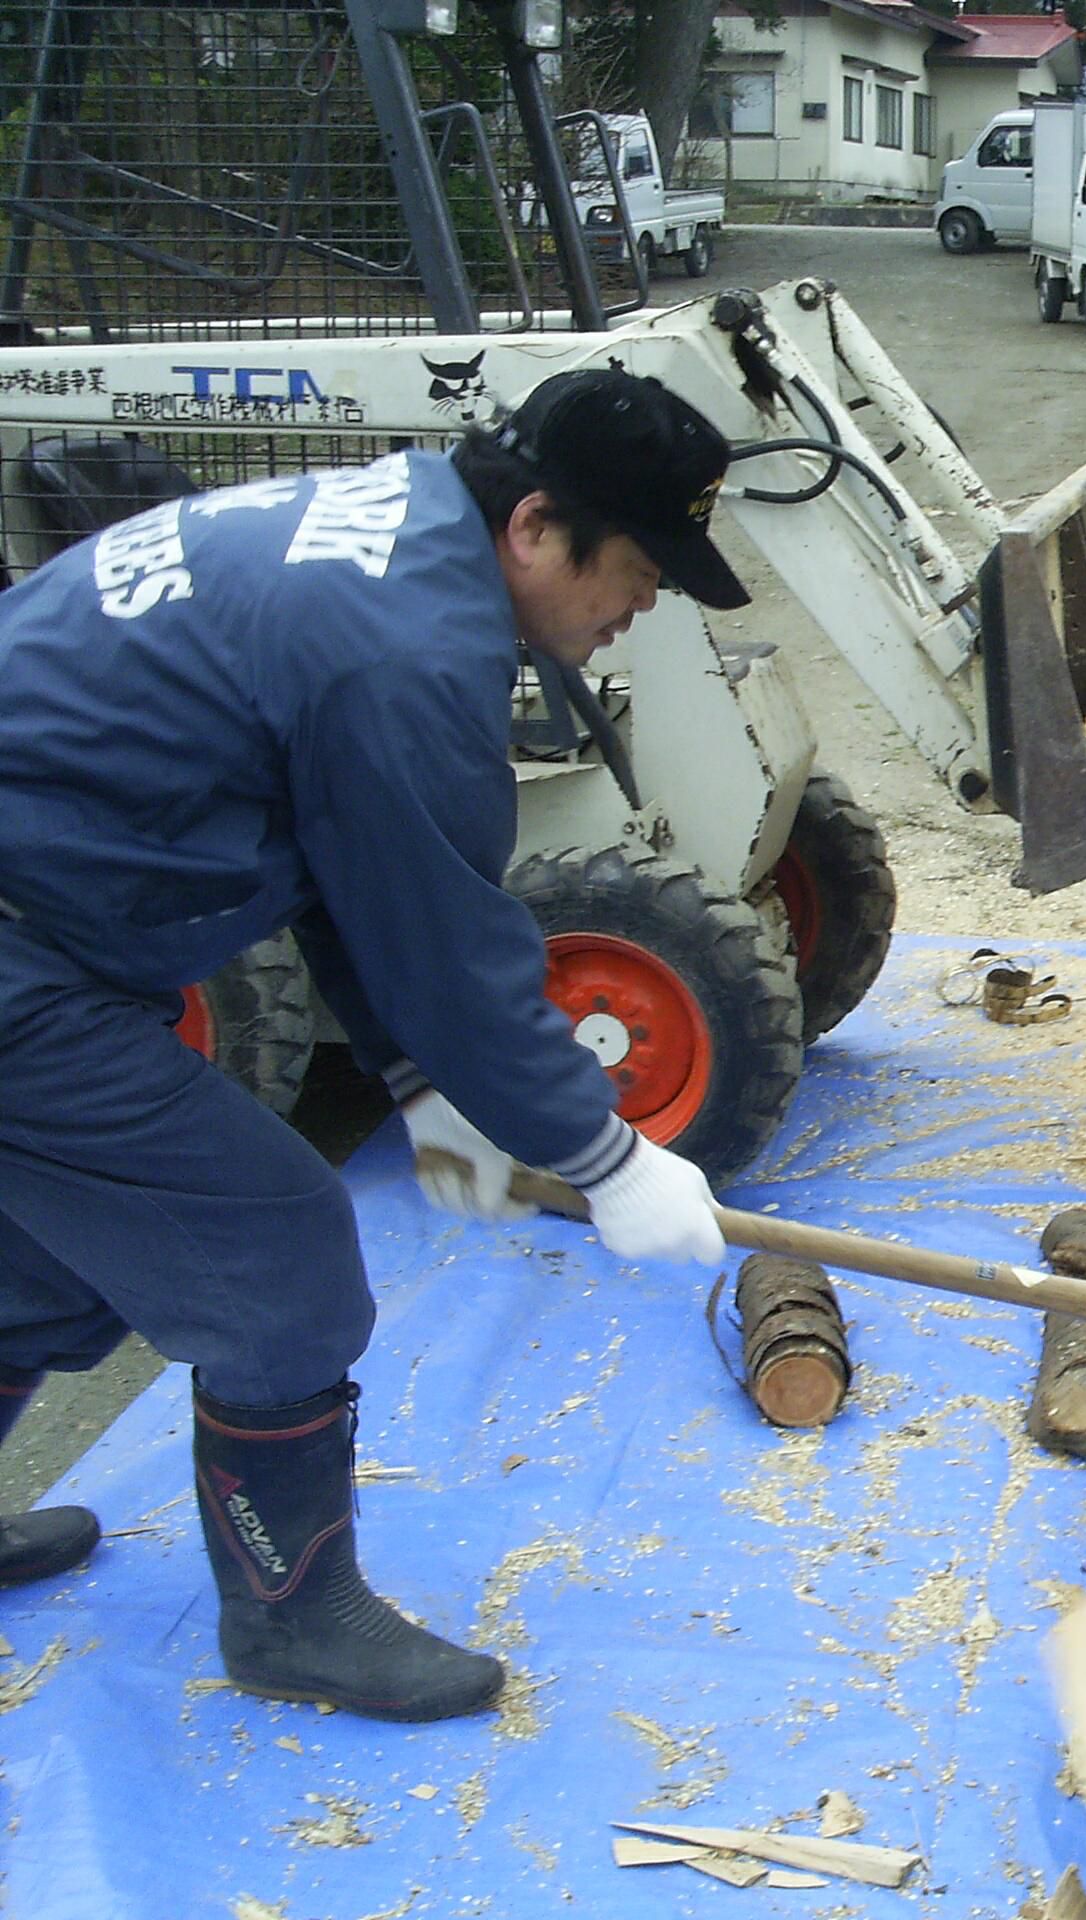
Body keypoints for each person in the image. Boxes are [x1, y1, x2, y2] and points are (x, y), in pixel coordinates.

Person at [0, 368, 738, 1721]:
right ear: (534, 526)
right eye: (636, 568)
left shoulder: (395, 534)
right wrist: (605, 1154)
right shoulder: (407, 642)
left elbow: (350, 877)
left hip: (48, 922)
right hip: (22, 954)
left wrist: (428, 1098)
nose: (643, 604)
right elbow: (446, 941)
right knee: (276, 1252)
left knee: (50, 1255)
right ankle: (294, 1622)